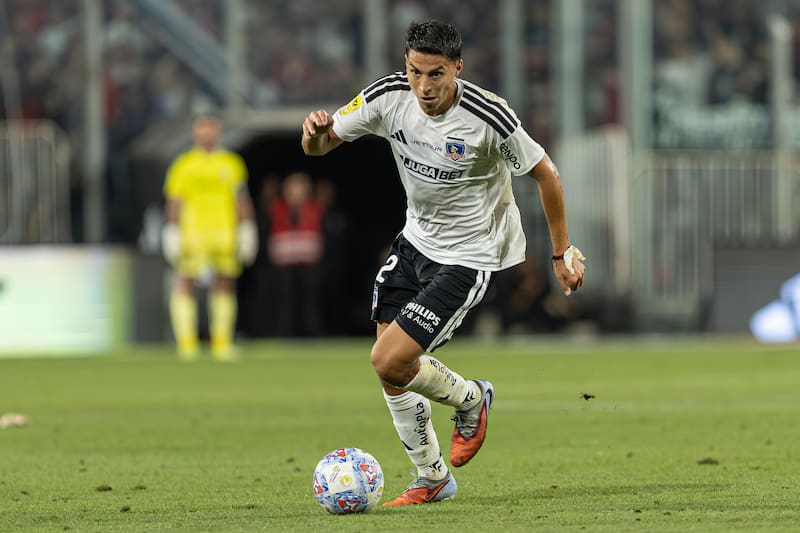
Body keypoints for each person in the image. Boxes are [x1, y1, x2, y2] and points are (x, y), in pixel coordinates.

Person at [301, 20, 585, 506]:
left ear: (457, 67)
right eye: (415, 72)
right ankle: (432, 478)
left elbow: (547, 175)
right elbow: (322, 146)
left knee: (388, 359)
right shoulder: (389, 97)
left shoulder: (487, 115)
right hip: (414, 243)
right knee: (390, 369)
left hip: (470, 256)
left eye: (436, 75)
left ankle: (472, 398)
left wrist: (560, 252)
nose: (424, 87)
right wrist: (313, 135)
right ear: (404, 65)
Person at [161, 114, 258, 361]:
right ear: (195, 133)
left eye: (211, 129)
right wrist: (171, 231)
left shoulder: (231, 163)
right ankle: (186, 344)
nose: (207, 134)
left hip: (224, 234)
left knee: (224, 283)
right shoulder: (183, 165)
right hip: (192, 234)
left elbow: (241, 200)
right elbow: (174, 202)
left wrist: (247, 228)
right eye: (202, 129)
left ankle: (221, 342)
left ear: (218, 132)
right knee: (186, 282)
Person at [265, 171, 325, 337]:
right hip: (284, 262)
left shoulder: (314, 207)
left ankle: (312, 332)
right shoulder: (277, 208)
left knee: (310, 300)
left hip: (309, 261)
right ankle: (285, 332)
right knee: (285, 299)